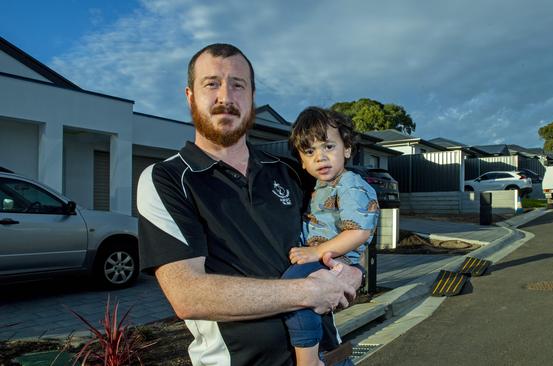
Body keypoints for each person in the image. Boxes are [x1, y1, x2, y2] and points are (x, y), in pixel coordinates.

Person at [137, 43, 362, 366]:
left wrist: (354, 271)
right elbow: (187, 294)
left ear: (252, 98)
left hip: (331, 356)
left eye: (238, 85)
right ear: (190, 96)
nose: (225, 97)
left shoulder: (290, 171)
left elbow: (350, 223)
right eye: (211, 83)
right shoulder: (167, 179)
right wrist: (309, 292)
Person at [282, 107, 379, 366]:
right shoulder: (322, 186)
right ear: (302, 161)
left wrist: (315, 251)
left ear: (347, 148)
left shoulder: (350, 184)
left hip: (334, 260)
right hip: (326, 258)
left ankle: (308, 360)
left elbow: (360, 231)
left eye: (328, 146)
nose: (320, 158)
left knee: (295, 290)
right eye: (310, 151)